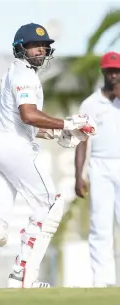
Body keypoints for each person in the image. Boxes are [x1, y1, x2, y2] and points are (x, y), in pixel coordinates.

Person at [0, 23, 97, 288]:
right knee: (49, 205)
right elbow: (28, 114)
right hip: (11, 148)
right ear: (20, 48)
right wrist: (68, 123)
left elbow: (24, 123)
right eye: (33, 45)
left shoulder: (14, 74)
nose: (39, 50)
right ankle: (25, 277)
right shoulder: (25, 75)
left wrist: (54, 134)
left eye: (43, 46)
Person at [74, 52, 120, 287]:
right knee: (100, 226)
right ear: (103, 72)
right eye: (110, 71)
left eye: (118, 71)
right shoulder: (90, 104)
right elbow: (82, 141)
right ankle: (103, 282)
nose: (114, 75)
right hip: (100, 166)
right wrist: (78, 176)